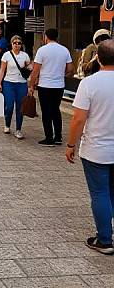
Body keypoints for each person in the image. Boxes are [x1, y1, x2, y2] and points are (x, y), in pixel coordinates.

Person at [66, 39, 114, 254]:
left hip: (97, 148)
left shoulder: (89, 83)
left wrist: (70, 144)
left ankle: (105, 239)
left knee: (100, 193)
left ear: (98, 57)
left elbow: (78, 119)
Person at [29, 28, 74, 146]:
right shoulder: (64, 50)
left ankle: (49, 138)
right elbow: (70, 69)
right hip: (59, 85)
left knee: (46, 112)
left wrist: (31, 85)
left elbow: (35, 70)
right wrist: (61, 75)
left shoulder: (42, 50)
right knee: (56, 110)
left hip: (45, 85)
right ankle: (58, 137)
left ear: (46, 37)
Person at [0, 35, 31, 139]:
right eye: (14, 43)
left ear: (21, 45)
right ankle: (7, 124)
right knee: (9, 105)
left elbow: (29, 69)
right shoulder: (6, 55)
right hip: (9, 82)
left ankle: (18, 129)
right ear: (11, 44)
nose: (16, 45)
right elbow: (2, 70)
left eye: (19, 43)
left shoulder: (25, 56)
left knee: (20, 107)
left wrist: (30, 84)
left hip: (21, 83)